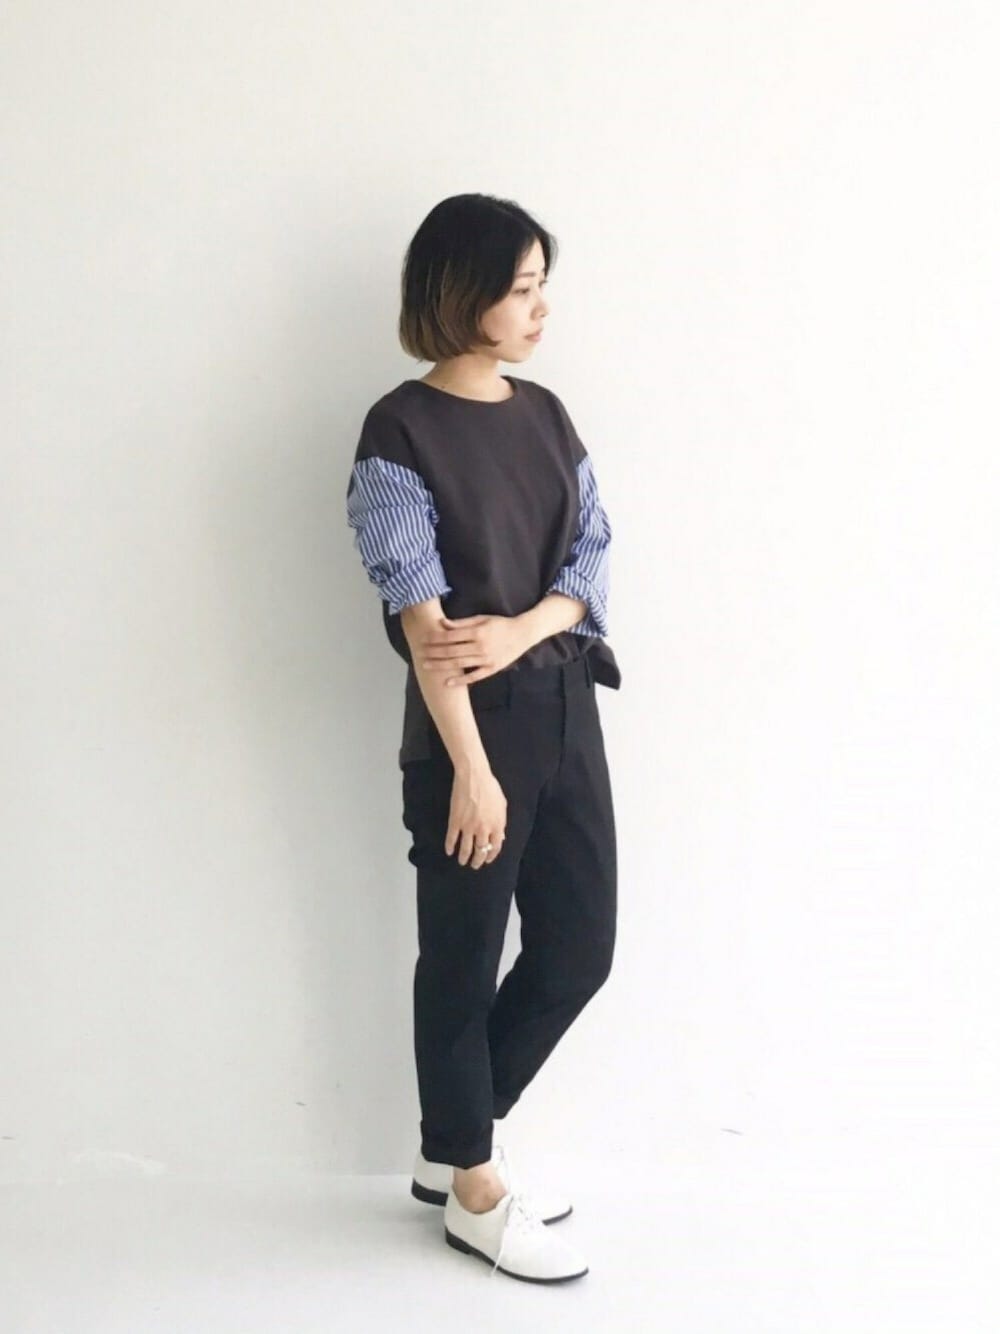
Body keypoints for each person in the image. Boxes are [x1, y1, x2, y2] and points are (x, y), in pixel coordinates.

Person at [345, 193, 621, 1283]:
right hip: (469, 728)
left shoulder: (546, 413)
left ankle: (455, 1137)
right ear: (462, 295)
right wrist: (470, 768)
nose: (541, 308)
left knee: (579, 947)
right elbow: (426, 627)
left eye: (543, 285)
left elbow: (592, 557)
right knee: (462, 957)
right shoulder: (399, 430)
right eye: (521, 289)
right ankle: (471, 1186)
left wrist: (523, 626)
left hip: (566, 706)